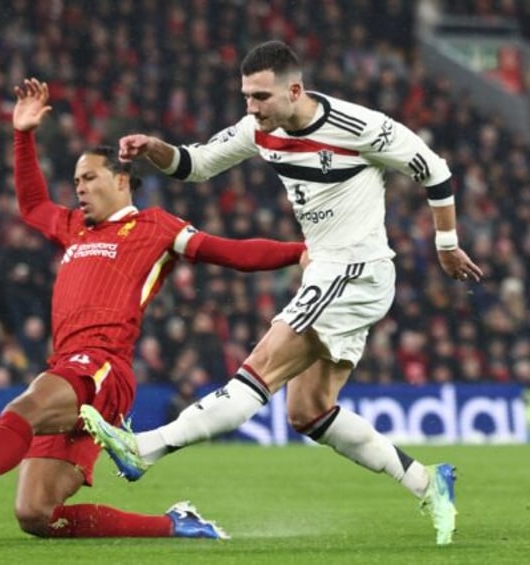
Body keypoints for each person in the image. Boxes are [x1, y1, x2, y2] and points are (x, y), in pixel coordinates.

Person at [79, 40, 483, 546]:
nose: (251, 108)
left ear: (294, 90)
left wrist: (447, 245)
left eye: (261, 97)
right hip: (329, 272)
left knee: (260, 367)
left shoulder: (359, 127)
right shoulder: (259, 130)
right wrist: (152, 147)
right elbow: (194, 164)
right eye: (247, 96)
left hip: (354, 270)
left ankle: (147, 448)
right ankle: (428, 481)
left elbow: (434, 169)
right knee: (307, 411)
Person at [0, 77, 307, 539]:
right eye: (75, 181)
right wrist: (23, 134)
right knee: (36, 514)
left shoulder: (155, 227)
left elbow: (231, 252)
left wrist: (298, 251)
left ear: (120, 179)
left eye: (89, 178)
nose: (79, 189)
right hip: (71, 369)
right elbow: (34, 205)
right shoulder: (75, 227)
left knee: (28, 404)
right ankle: (176, 526)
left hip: (103, 368)